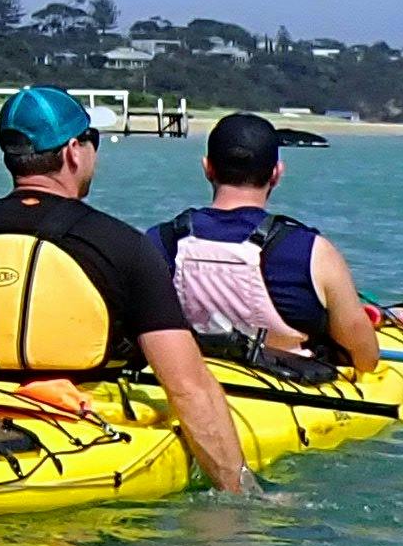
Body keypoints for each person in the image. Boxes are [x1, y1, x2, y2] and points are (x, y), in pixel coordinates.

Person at [0, 85, 257, 498]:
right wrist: (241, 493)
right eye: (92, 140)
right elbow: (188, 388)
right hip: (71, 431)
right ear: (74, 151)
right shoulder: (122, 246)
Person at [158, 112, 384, 369]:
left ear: (207, 168)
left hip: (190, 376)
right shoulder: (314, 251)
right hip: (286, 392)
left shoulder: (160, 239)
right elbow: (365, 359)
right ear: (276, 173)